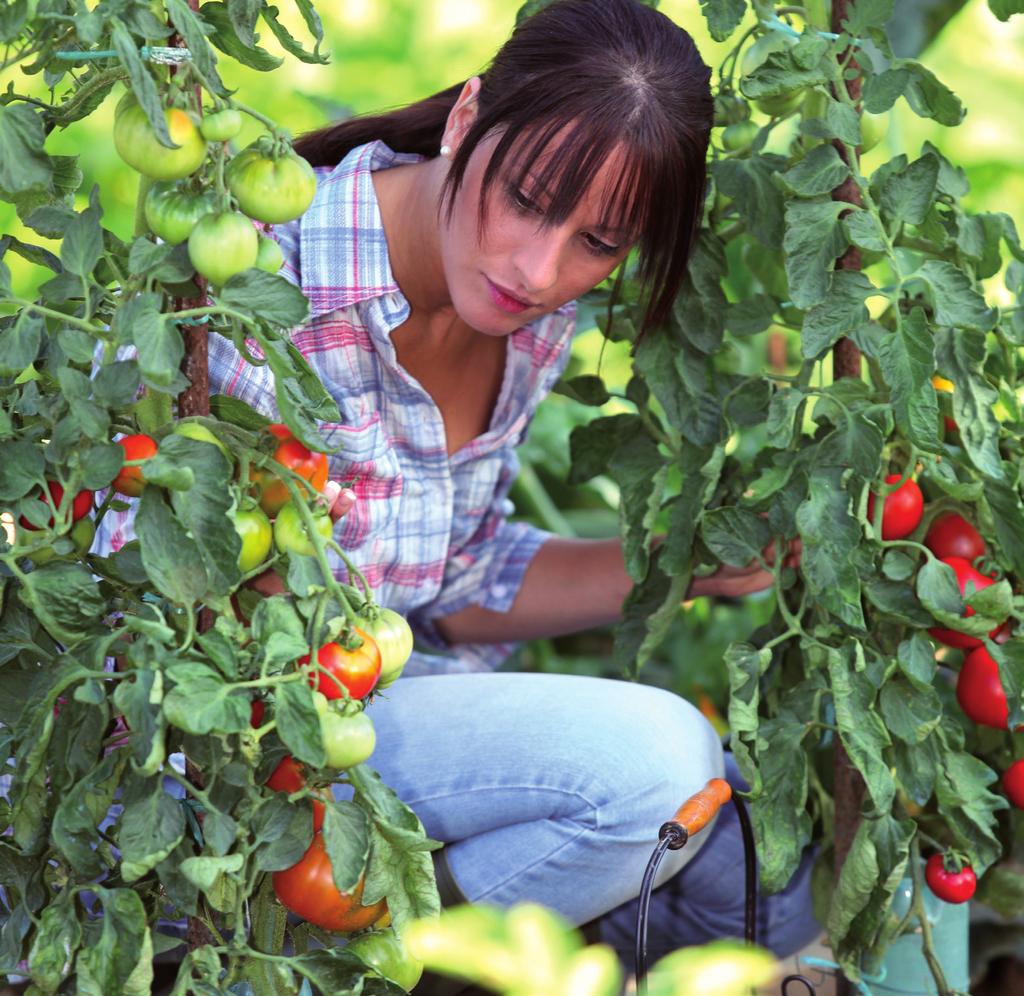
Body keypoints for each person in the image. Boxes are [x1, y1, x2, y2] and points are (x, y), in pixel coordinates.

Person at [100, 0, 819, 979]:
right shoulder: (253, 278)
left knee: (763, 890)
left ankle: (411, 930)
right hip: (238, 746)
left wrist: (680, 565)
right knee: (657, 768)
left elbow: (453, 580)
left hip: (383, 712)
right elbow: (133, 614)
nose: (539, 269)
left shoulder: (527, 321)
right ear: (466, 115)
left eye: (597, 244)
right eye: (525, 198)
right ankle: (343, 958)